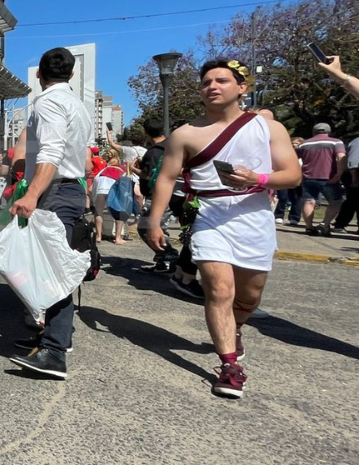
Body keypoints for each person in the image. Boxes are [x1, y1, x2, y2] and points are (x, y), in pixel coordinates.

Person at [146, 59, 300, 398]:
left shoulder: (267, 128)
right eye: (206, 82)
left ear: (241, 87)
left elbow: (292, 175)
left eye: (222, 81)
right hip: (210, 218)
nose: (212, 86)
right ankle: (229, 366)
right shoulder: (185, 134)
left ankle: (236, 329)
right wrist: (154, 220)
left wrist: (257, 178)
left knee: (250, 295)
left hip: (254, 216)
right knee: (218, 289)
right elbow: (167, 178)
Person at [7, 47, 94, 380]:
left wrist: (31, 194)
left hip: (54, 191)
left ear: (39, 74)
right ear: (72, 74)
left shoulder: (48, 102)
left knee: (52, 270)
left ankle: (54, 351)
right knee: (51, 265)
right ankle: (57, 338)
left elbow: (52, 151)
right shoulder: (78, 106)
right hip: (68, 189)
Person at [135, 117, 181, 273]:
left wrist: (135, 170)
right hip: (173, 194)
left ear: (146, 132)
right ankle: (164, 261)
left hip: (157, 196)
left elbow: (154, 177)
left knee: (146, 228)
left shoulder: (155, 152)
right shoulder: (171, 146)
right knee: (158, 228)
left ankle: (169, 256)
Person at [296, 122, 346, 236]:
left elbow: (293, 159)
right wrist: (339, 174)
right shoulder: (336, 142)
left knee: (309, 201)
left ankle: (309, 227)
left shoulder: (304, 144)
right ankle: (324, 224)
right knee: (336, 202)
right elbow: (341, 157)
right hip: (328, 176)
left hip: (308, 177)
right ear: (329, 132)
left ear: (313, 132)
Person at [90, 149, 128, 245]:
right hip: (112, 188)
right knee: (119, 213)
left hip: (101, 187)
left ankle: (98, 236)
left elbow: (92, 185)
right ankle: (118, 238)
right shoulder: (122, 171)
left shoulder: (103, 170)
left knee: (98, 211)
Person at [332, 135, 359, 233]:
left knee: (354, 201)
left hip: (354, 173)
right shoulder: (357, 142)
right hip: (353, 174)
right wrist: (354, 179)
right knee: (353, 200)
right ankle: (340, 224)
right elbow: (354, 162)